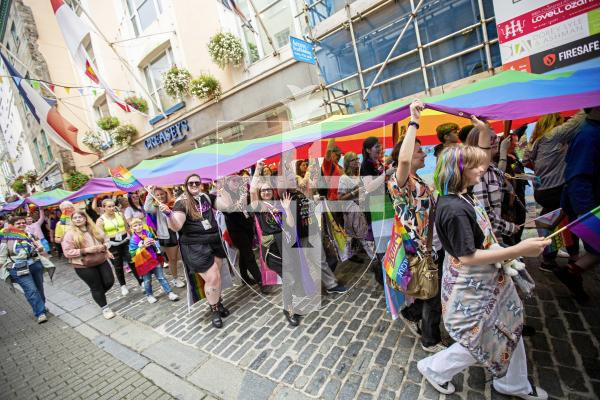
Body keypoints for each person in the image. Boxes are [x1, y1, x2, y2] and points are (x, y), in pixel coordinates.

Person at [417, 144, 550, 400]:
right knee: (484, 335)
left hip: (483, 282)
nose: (483, 169)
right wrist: (518, 249)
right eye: (476, 165)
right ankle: (435, 368)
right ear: (459, 170)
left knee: (505, 328)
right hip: (472, 286)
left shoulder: (463, 195)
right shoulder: (454, 208)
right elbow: (468, 256)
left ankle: (513, 382)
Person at [386, 100, 446, 353]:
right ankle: (430, 341)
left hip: (433, 244)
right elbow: (402, 161)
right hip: (421, 249)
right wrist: (414, 122)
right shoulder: (398, 180)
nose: (424, 154)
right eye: (419, 151)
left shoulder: (417, 178)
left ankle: (411, 312)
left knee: (433, 290)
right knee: (433, 297)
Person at [165, 174, 230, 329]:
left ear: (201, 184)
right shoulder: (181, 203)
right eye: (190, 183)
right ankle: (214, 310)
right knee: (213, 277)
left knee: (217, 276)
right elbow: (176, 227)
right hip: (195, 246)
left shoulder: (206, 197)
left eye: (197, 182)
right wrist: (169, 215)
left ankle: (217, 303)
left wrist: (224, 190)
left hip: (214, 241)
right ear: (185, 185)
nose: (194, 185)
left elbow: (226, 206)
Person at [524, 112, 585, 271]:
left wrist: (546, 168)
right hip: (556, 188)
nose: (563, 123)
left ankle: (557, 257)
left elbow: (525, 160)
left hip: (542, 190)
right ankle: (555, 259)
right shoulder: (554, 135)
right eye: (560, 120)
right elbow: (579, 120)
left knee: (554, 221)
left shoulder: (535, 141)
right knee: (566, 222)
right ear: (554, 122)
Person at [555, 107, 600, 304]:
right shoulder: (589, 135)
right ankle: (570, 271)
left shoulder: (589, 132)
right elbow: (577, 179)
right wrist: (588, 216)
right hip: (587, 205)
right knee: (596, 247)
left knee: (595, 250)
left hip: (584, 204)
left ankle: (572, 271)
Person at [250, 163, 299, 325]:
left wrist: (288, 209)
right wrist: (257, 169)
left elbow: (290, 224)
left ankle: (289, 305)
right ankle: (289, 309)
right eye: (263, 190)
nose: (265, 192)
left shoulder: (279, 204)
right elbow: (252, 191)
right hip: (272, 249)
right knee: (289, 278)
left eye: (268, 189)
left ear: (272, 191)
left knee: (290, 278)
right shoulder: (259, 206)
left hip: (285, 245)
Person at [466, 120, 518, 245]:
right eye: (490, 138)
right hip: (488, 241)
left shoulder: (491, 168)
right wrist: (509, 227)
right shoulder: (479, 173)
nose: (495, 141)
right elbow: (483, 214)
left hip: (495, 237)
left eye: (496, 138)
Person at [61, 210, 116, 319]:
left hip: (100, 260)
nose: (78, 219)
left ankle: (98, 295)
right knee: (96, 287)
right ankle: (105, 308)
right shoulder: (69, 234)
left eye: (80, 217)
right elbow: (67, 252)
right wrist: (86, 250)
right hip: (83, 265)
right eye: (75, 218)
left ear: (85, 218)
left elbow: (106, 240)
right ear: (72, 220)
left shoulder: (95, 229)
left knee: (109, 281)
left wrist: (104, 247)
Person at [0, 216, 49, 323]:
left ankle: (42, 306)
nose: (22, 225)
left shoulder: (30, 235)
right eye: (18, 223)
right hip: (18, 268)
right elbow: (2, 256)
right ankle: (40, 313)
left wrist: (39, 248)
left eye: (23, 223)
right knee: (31, 290)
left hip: (35, 264)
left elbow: (41, 248)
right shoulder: (6, 238)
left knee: (39, 288)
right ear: (12, 225)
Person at [219, 175, 263, 288]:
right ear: (227, 181)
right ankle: (261, 282)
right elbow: (227, 210)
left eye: (238, 180)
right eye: (234, 180)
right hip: (236, 230)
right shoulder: (223, 194)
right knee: (249, 255)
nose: (237, 182)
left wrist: (247, 201)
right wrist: (239, 203)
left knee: (244, 253)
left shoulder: (241, 191)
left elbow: (249, 207)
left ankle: (245, 278)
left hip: (247, 226)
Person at [96, 198, 143, 295]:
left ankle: (141, 282)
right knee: (118, 266)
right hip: (112, 245)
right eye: (109, 206)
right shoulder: (100, 220)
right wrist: (106, 250)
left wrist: (134, 238)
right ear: (103, 208)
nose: (112, 208)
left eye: (113, 206)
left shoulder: (120, 214)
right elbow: (100, 237)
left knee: (132, 261)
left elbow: (127, 228)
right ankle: (123, 285)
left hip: (125, 241)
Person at [337, 151, 377, 262]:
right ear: (348, 162)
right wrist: (355, 192)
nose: (357, 161)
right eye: (354, 159)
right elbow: (340, 198)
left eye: (357, 159)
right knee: (363, 236)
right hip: (352, 211)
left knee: (353, 236)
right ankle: (374, 258)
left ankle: (346, 256)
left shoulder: (357, 176)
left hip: (361, 209)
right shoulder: (344, 178)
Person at [128, 218, 179, 304]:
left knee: (161, 277)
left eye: (140, 224)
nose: (138, 227)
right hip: (144, 263)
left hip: (154, 259)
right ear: (132, 228)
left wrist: (154, 243)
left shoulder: (148, 233)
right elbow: (132, 253)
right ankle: (149, 295)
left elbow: (156, 241)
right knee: (147, 280)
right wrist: (142, 246)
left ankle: (170, 292)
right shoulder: (133, 239)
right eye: (135, 226)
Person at [144, 186, 185, 288]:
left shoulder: (173, 203)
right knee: (173, 258)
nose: (160, 196)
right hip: (166, 235)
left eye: (162, 194)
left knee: (184, 256)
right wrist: (150, 192)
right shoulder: (155, 206)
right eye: (157, 195)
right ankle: (175, 278)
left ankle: (190, 274)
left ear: (166, 193)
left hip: (179, 232)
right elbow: (146, 208)